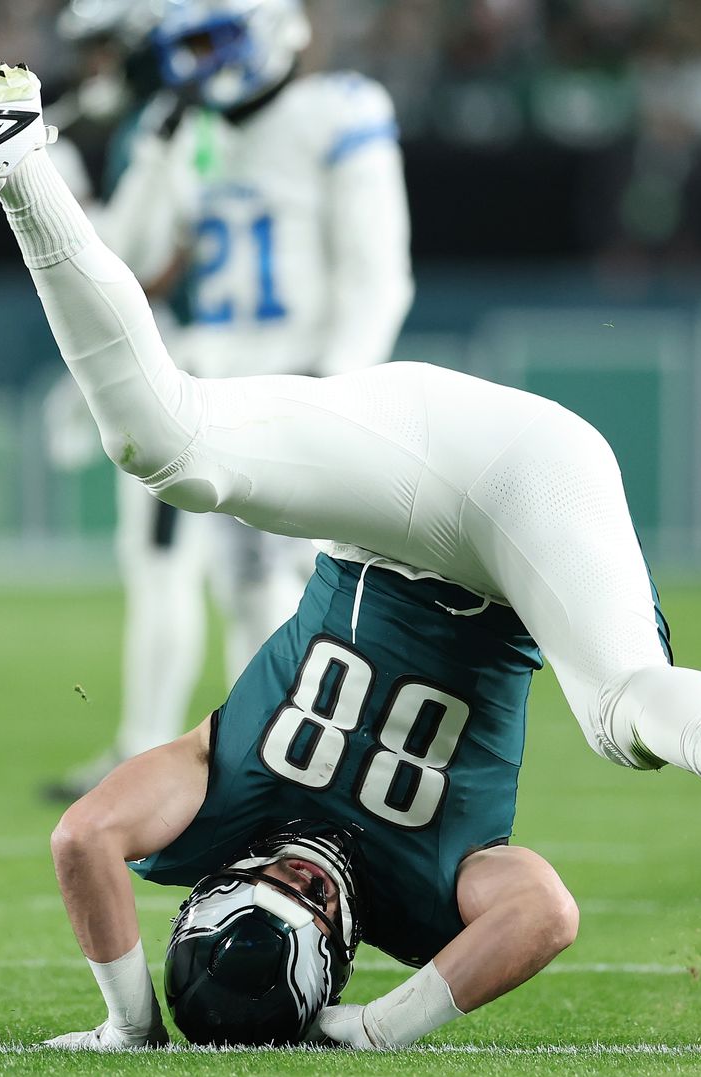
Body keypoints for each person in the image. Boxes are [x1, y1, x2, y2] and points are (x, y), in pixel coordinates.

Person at [0, 64, 701, 1045]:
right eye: (306, 901)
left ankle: (20, 161)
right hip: (520, 491)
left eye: (261, 879)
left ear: (217, 879)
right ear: (339, 949)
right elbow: (545, 913)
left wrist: (130, 1026)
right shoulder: (419, 905)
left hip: (394, 496)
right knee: (622, 707)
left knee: (167, 447)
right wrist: (376, 1029)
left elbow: (86, 837)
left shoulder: (225, 805)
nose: (298, 869)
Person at [44, 0, 417, 801]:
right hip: (200, 381)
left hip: (295, 382)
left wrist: (339, 383)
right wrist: (150, 144)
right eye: (190, 43)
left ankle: (281, 768)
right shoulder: (189, 132)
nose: (201, 61)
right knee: (173, 566)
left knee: (274, 583)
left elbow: (376, 272)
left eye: (216, 38)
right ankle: (191, 757)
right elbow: (129, 260)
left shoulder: (335, 111)